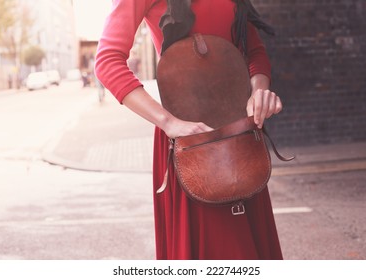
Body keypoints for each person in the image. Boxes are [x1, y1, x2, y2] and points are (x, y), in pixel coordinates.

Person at [95, 0, 283, 260]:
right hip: (188, 138)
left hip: (239, 131)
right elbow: (107, 61)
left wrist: (259, 91)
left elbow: (254, 51)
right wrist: (167, 122)